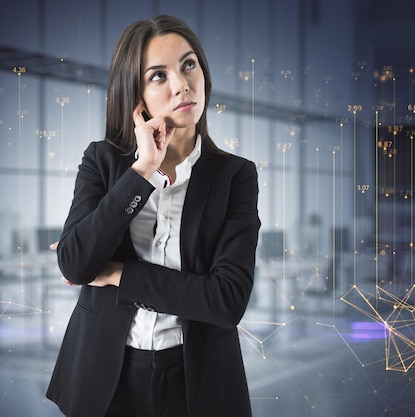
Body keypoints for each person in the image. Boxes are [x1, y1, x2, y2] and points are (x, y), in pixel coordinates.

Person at [46, 15, 261, 417]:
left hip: (197, 379)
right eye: (158, 75)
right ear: (136, 96)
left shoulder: (235, 175)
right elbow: (75, 262)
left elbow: (227, 300)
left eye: (188, 64)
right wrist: (143, 170)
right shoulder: (103, 161)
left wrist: (116, 274)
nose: (182, 84)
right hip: (105, 376)